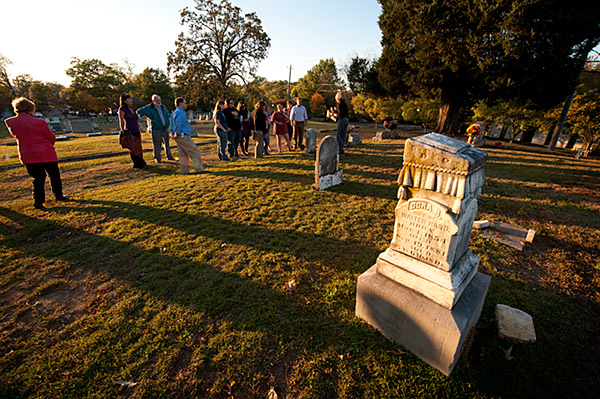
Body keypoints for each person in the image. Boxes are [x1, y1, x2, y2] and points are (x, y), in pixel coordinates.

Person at [4, 97, 68, 210]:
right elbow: (51, 137)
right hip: (45, 153)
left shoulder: (10, 122)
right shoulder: (39, 122)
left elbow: (16, 136)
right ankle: (59, 196)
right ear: (30, 109)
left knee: (38, 178)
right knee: (54, 175)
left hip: (27, 154)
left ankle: (38, 201)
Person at [170, 97, 204, 174]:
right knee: (194, 151)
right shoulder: (180, 113)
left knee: (183, 154)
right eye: (185, 103)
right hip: (182, 135)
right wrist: (177, 133)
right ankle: (199, 169)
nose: (186, 104)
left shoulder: (175, 112)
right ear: (180, 103)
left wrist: (173, 133)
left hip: (178, 136)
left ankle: (184, 171)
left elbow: (172, 124)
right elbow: (179, 124)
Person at [137, 94, 174, 163]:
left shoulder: (162, 107)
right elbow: (139, 111)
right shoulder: (150, 107)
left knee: (167, 143)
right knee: (157, 144)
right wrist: (149, 117)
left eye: (160, 100)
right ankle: (157, 157)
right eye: (157, 100)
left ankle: (169, 156)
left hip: (165, 128)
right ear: (153, 101)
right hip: (156, 128)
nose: (159, 102)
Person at [118, 93, 146, 168]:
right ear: (125, 101)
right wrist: (122, 130)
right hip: (129, 129)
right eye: (129, 99)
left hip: (136, 129)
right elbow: (121, 120)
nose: (131, 100)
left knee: (138, 146)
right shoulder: (122, 109)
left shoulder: (132, 109)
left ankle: (141, 160)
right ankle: (136, 162)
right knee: (133, 147)